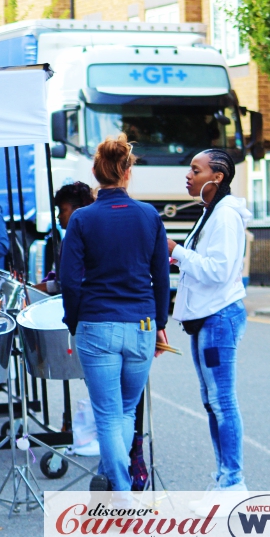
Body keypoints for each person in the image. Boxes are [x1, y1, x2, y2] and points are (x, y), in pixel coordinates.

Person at [58, 133, 170, 494]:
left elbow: (70, 281)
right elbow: (162, 276)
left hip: (97, 322)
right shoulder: (149, 216)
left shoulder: (82, 219)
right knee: (124, 412)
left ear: (96, 171)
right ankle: (115, 484)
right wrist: (161, 324)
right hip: (141, 323)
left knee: (106, 415)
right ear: (127, 171)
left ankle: (120, 494)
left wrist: (74, 322)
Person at [168, 149, 251, 504]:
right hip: (207, 319)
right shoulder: (211, 212)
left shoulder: (226, 217)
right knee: (212, 401)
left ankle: (233, 481)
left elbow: (218, 271)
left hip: (219, 318)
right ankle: (224, 480)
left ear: (216, 178)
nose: (188, 176)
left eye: (195, 170)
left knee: (222, 401)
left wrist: (175, 250)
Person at [40, 181, 95, 293]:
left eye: (62, 210)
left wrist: (41, 288)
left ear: (77, 210)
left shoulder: (84, 240)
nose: (59, 216)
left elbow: (72, 281)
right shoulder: (70, 239)